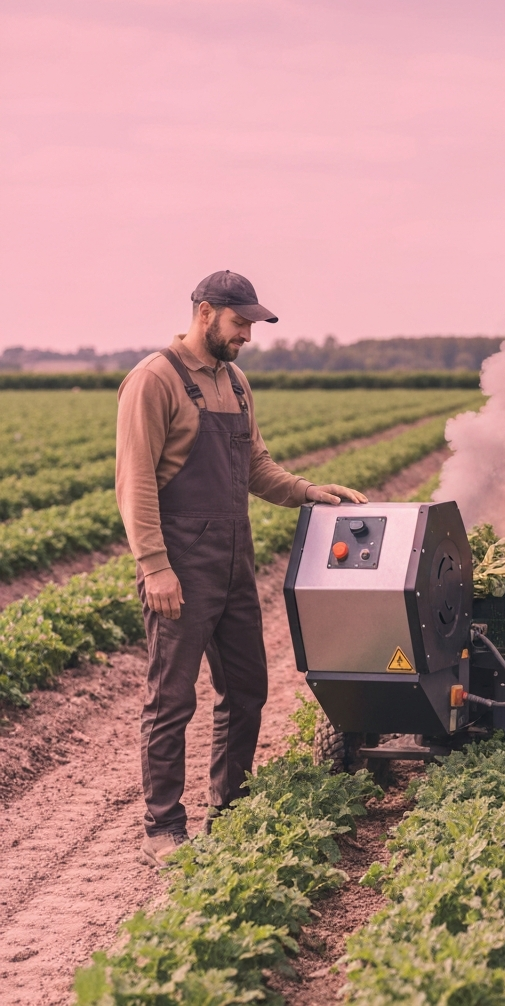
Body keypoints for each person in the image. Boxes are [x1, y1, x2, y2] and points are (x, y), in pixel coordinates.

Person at [116, 270, 368, 867]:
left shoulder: (235, 381)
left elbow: (255, 465)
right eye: (240, 323)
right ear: (205, 313)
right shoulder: (155, 380)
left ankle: (228, 810)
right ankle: (163, 824)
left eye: (252, 324)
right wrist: (156, 568)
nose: (248, 335)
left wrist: (309, 491)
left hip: (233, 562)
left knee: (247, 689)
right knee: (171, 698)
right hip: (179, 564)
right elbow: (136, 485)